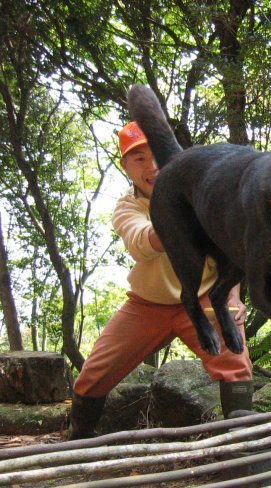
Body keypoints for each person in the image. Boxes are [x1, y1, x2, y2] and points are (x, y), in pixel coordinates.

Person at [69, 122, 254, 439]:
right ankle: (77, 442)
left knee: (234, 361)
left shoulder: (203, 191)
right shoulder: (128, 206)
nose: (151, 166)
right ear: (125, 165)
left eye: (157, 154)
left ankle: (242, 445)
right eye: (139, 158)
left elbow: (230, 247)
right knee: (93, 374)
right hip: (147, 305)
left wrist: (232, 297)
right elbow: (140, 242)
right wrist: (176, 221)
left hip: (205, 296)